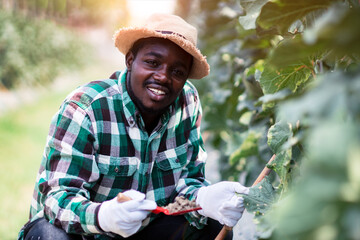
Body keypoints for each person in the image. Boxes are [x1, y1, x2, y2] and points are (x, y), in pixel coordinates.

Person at [18, 13, 249, 240]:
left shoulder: (187, 103)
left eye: (177, 72)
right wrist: (103, 216)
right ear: (130, 61)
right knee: (50, 235)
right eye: (152, 62)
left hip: (146, 229)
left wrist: (203, 199)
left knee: (213, 224)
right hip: (84, 233)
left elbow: (186, 185)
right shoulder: (86, 108)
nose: (163, 77)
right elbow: (57, 200)